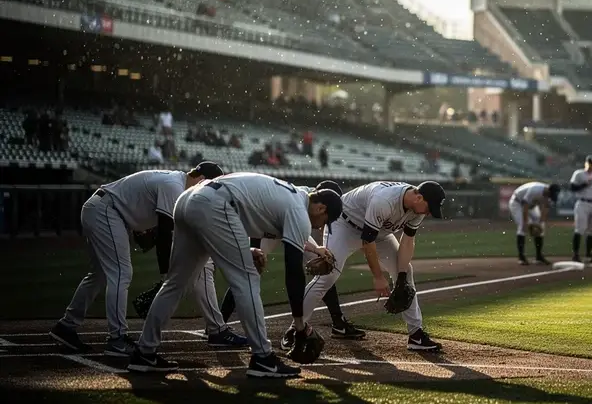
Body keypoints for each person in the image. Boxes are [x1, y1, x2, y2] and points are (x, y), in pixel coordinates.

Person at [127, 172, 343, 378]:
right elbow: (294, 272)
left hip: (188, 201)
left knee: (175, 283)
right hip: (215, 206)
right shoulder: (299, 210)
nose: (322, 225)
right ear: (321, 208)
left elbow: (244, 212)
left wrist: (244, 251)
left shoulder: (291, 194)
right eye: (325, 220)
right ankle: (263, 358)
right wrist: (300, 326)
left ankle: (144, 352)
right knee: (247, 279)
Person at [49, 162, 246, 356]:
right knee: (120, 273)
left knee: (99, 275)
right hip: (106, 211)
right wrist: (165, 276)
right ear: (201, 180)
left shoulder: (176, 184)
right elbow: (164, 236)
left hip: (104, 210)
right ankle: (117, 339)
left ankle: (66, 326)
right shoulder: (174, 187)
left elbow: (157, 234)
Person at [293, 181, 446, 352]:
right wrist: (378, 277)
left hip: (379, 232)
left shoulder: (418, 208)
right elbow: (367, 242)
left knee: (406, 272)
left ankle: (416, 334)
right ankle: (295, 330)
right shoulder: (385, 200)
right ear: (418, 197)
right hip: (345, 226)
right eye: (429, 207)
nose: (429, 212)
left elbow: (408, 240)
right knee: (328, 275)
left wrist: (401, 276)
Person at [220, 180, 366, 341]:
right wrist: (254, 247)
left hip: (288, 225)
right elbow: (288, 231)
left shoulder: (311, 202)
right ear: (323, 203)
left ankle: (338, 322)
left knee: (324, 264)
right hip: (265, 230)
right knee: (249, 272)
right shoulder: (300, 202)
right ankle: (219, 325)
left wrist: (317, 250)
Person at [508, 182, 560, 265]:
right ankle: (521, 257)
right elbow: (525, 205)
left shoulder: (549, 194)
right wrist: (526, 222)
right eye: (550, 195)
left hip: (532, 206)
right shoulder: (535, 190)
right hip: (517, 202)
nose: (550, 197)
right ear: (548, 190)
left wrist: (540, 223)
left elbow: (545, 208)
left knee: (541, 228)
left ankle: (539, 257)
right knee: (522, 226)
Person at [569, 155, 592, 263]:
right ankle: (576, 255)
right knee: (579, 229)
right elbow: (572, 188)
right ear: (586, 164)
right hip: (582, 203)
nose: (591, 166)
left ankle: (588, 255)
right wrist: (584, 185)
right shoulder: (578, 174)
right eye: (589, 163)